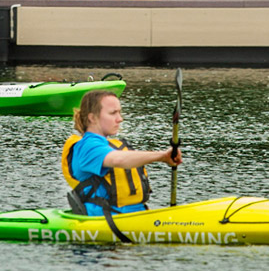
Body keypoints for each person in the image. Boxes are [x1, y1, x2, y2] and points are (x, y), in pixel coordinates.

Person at [61, 89, 181, 217]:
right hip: (107, 221)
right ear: (92, 118)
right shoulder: (88, 147)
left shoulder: (107, 145)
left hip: (135, 216)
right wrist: (162, 156)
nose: (120, 119)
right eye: (113, 113)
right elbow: (119, 160)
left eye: (119, 112)